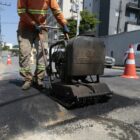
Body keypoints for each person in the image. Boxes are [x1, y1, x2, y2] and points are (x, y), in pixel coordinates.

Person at [17, 0, 69, 90]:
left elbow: (56, 11)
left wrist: (63, 24)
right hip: (25, 27)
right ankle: (28, 79)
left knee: (42, 53)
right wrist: (33, 23)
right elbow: (21, 11)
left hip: (41, 27)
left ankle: (39, 78)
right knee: (24, 52)